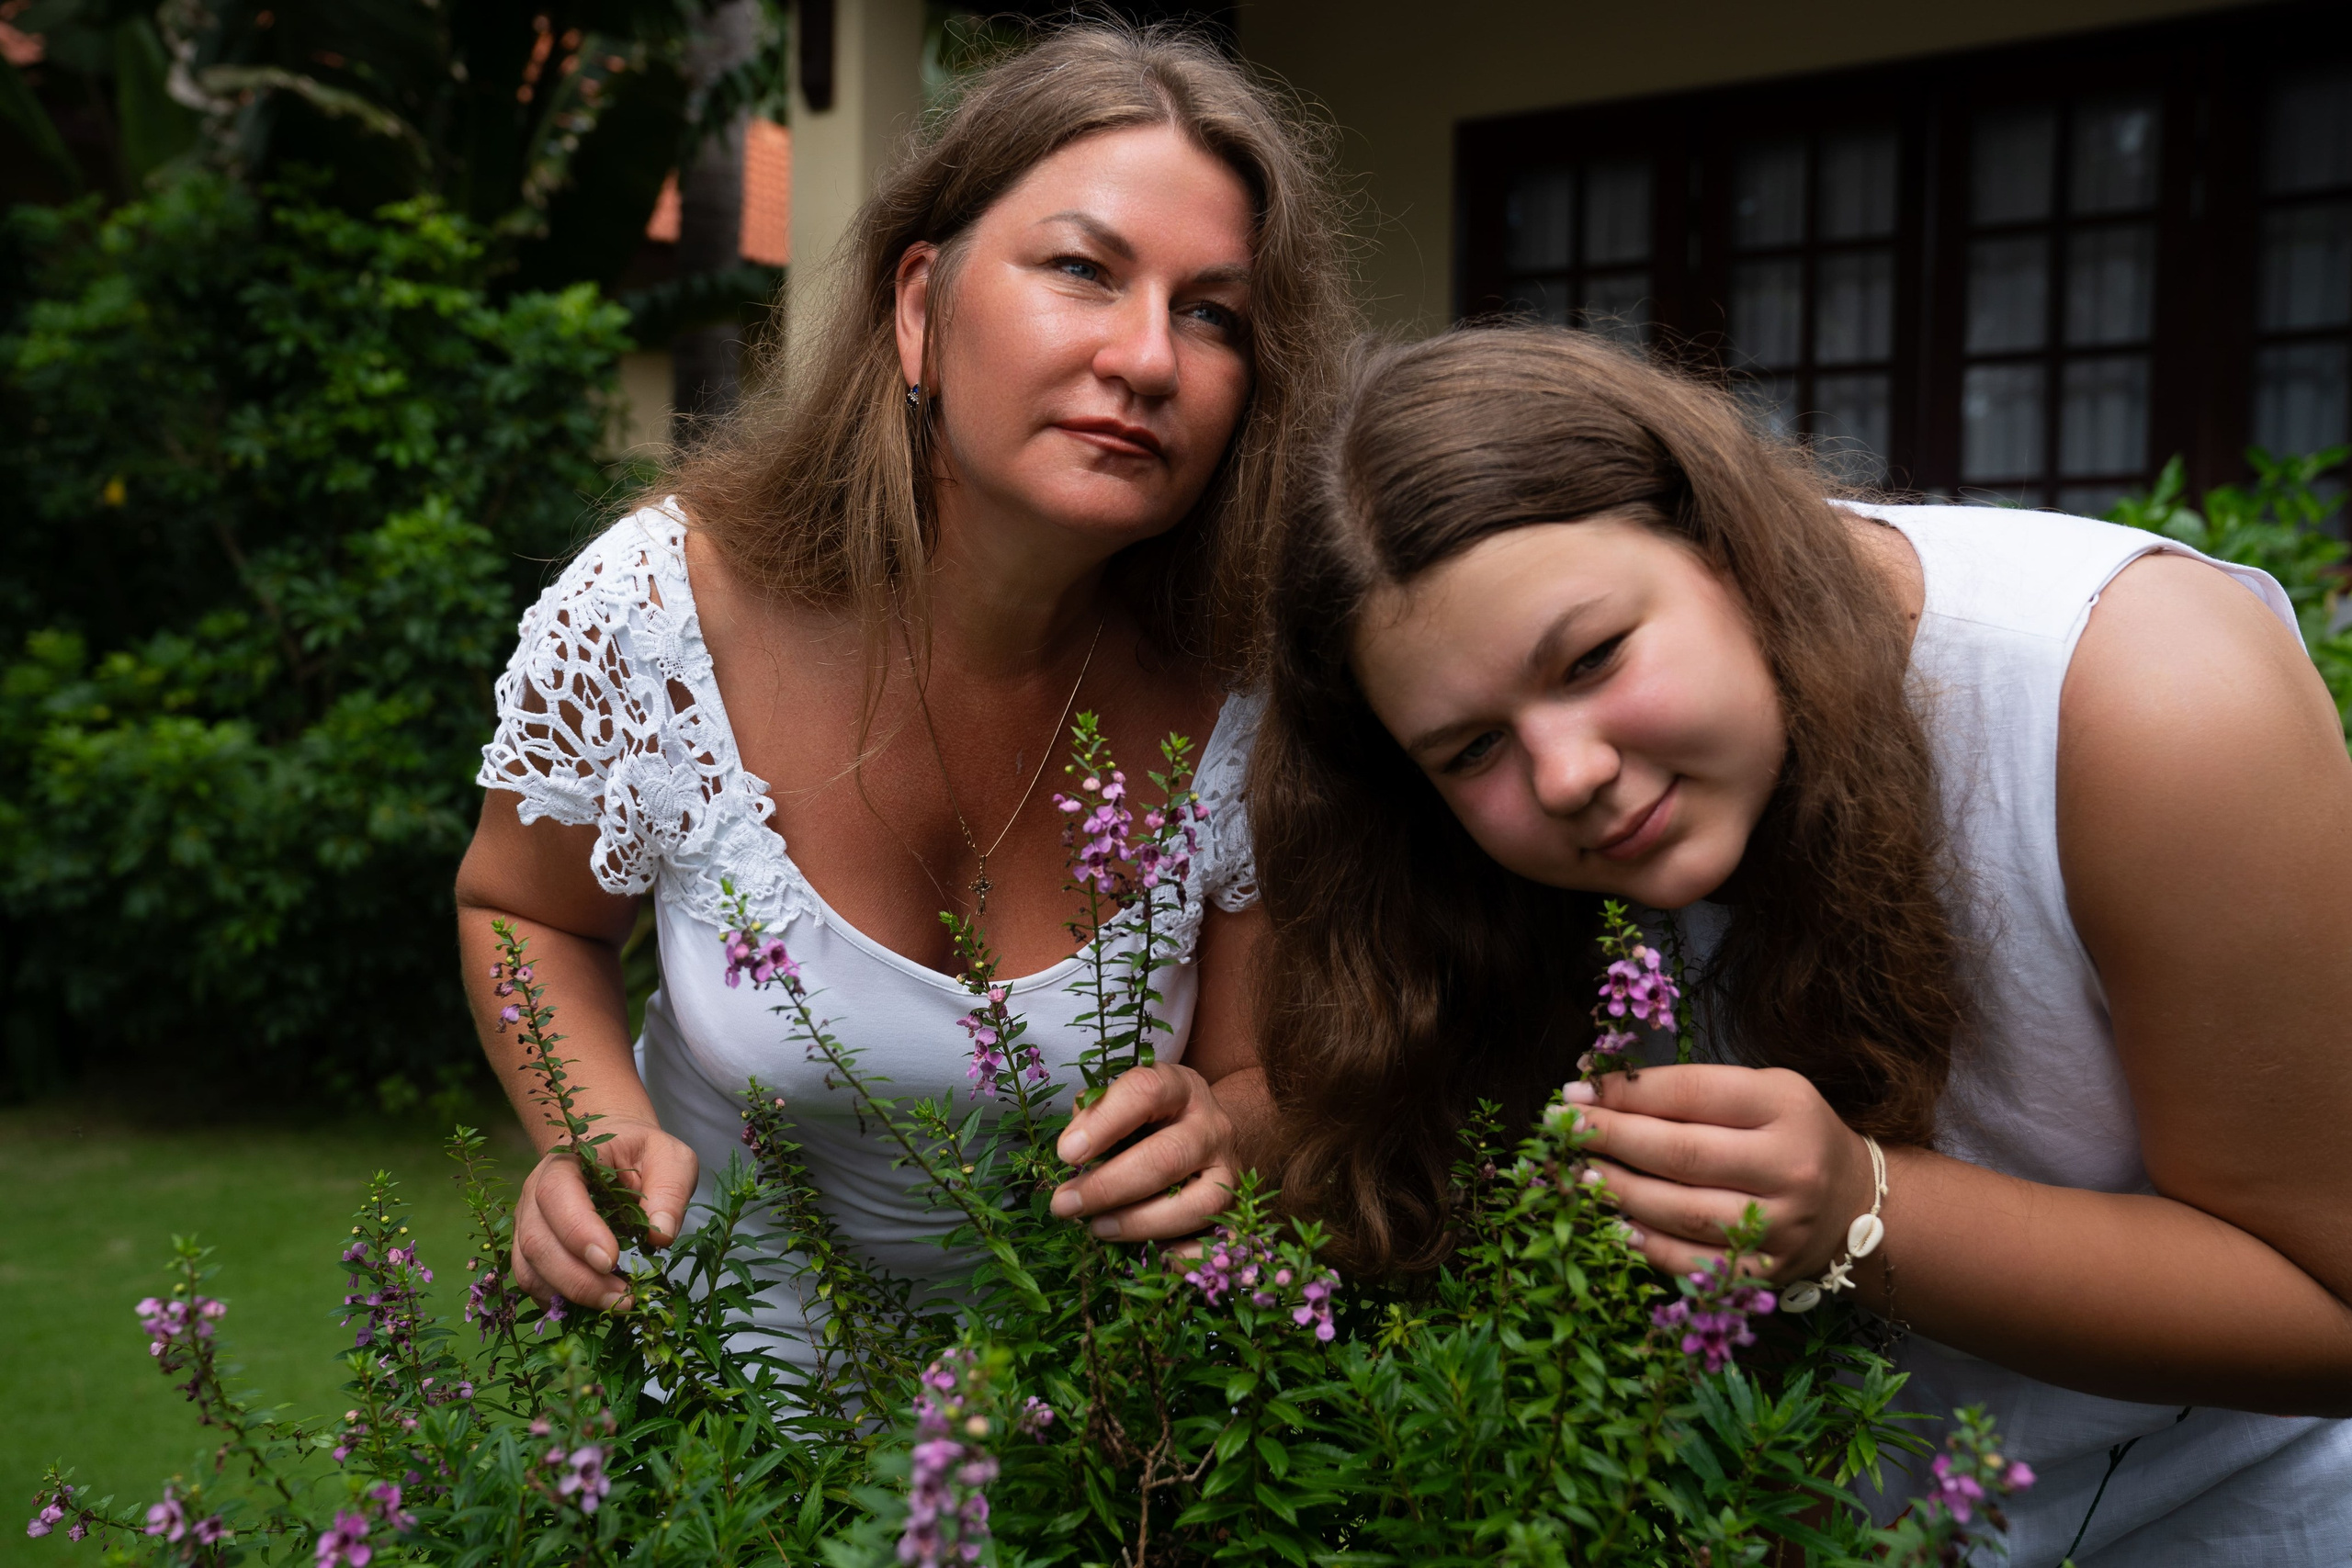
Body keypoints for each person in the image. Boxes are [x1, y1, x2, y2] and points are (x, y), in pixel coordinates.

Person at [1250, 324, 2352, 1563]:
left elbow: (2334, 1309)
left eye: (1595, 656)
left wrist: (1863, 1212)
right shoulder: (1469, 861)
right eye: (1469, 751)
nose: (1566, 776)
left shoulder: (2139, 694)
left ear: (1728, 543)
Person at [452, 23, 1352, 1372]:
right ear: (921, 305)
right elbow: (524, 909)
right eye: (1083, 271)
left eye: (1213, 312)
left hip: (1084, 1438)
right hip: (721, 1447)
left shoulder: (1251, 705)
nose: (1151, 358)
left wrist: (1228, 1132)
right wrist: (593, 1132)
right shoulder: (659, 617)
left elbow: (1254, 1077)